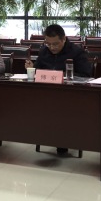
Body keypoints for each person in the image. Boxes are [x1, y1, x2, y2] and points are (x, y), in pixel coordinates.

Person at [25, 24, 92, 155]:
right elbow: (38, 71)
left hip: (70, 95)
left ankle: (62, 140)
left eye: (55, 44)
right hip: (46, 94)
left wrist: (63, 76)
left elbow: (85, 75)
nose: (52, 47)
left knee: (60, 108)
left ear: (64, 39)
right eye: (48, 44)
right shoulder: (44, 51)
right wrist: (31, 68)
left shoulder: (77, 52)